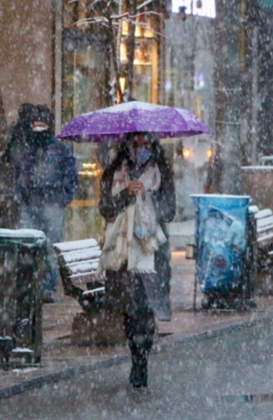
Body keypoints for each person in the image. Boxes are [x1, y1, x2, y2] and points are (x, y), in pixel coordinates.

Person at [98, 132, 176, 388]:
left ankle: (142, 360)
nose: (141, 150)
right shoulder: (114, 172)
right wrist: (126, 194)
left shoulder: (161, 173)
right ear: (127, 147)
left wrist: (147, 197)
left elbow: (170, 210)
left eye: (146, 145)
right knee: (131, 311)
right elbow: (106, 208)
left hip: (152, 249)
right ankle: (136, 353)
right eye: (136, 145)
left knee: (146, 308)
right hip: (123, 250)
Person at [0, 103, 78, 303]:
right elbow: (18, 171)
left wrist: (62, 198)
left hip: (51, 205)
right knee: (29, 246)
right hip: (32, 203)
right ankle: (31, 286)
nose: (39, 128)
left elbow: (70, 176)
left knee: (50, 248)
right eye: (37, 123)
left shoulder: (58, 149)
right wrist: (21, 195)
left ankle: (46, 288)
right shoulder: (30, 148)